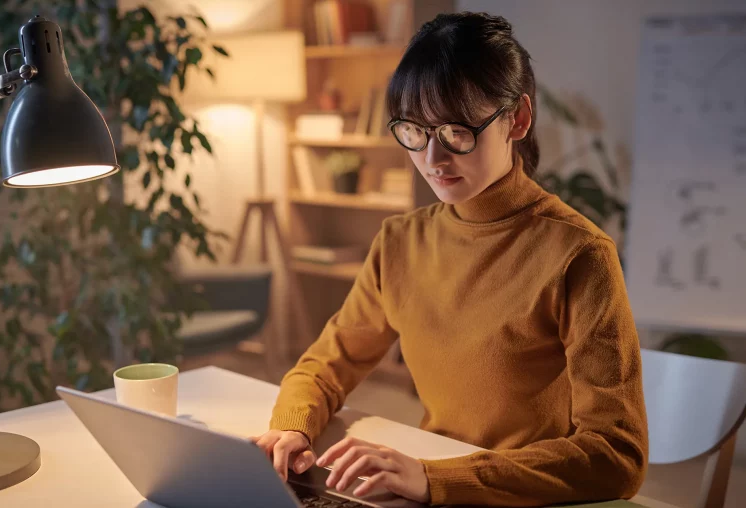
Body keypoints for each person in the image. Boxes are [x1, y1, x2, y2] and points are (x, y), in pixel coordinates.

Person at [252, 11, 648, 507]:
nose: (433, 160)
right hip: (428, 480)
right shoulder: (400, 243)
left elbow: (616, 454)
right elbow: (326, 365)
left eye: (457, 133)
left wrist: (436, 479)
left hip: (522, 495)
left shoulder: (579, 255)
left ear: (517, 119)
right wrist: (294, 428)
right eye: (413, 132)